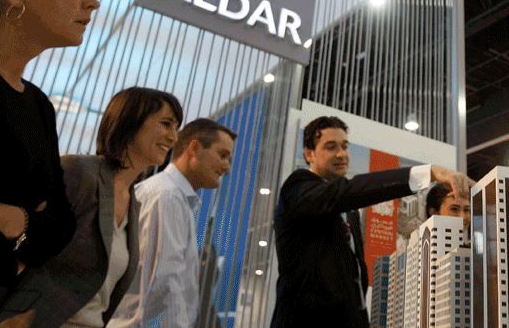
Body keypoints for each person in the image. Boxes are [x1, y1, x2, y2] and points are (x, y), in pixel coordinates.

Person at [0, 0, 100, 322]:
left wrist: (10, 219)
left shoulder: (39, 106)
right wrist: (27, 231)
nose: (93, 2)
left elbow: (61, 226)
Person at [0, 87, 183, 328]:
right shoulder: (78, 172)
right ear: (131, 120)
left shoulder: (134, 203)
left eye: (176, 128)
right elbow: (15, 241)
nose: (174, 138)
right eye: (166, 124)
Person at [270, 116, 474, 328]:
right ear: (309, 153)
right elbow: (346, 191)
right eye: (331, 147)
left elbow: (353, 284)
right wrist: (428, 173)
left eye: (345, 146)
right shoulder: (297, 188)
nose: (341, 154)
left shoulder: (349, 211)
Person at [109, 118, 237, 328]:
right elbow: (164, 285)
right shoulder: (167, 196)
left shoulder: (172, 196)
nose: (226, 167)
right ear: (194, 149)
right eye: (222, 155)